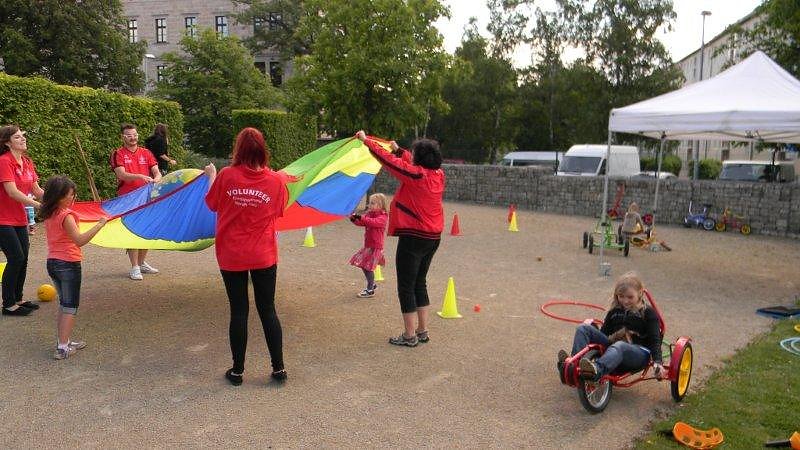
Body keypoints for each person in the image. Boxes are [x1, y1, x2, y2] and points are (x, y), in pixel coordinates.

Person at [204, 127, 297, 385]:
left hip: (231, 254)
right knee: (268, 310)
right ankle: (279, 370)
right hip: (263, 255)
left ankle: (237, 372)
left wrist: (210, 176)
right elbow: (279, 210)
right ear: (263, 149)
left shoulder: (226, 176)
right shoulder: (275, 180)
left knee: (239, 311)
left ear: (239, 149)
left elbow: (211, 204)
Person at [355, 130, 445, 348]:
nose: (410, 156)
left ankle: (409, 335)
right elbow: (407, 162)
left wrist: (367, 142)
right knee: (419, 283)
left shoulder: (416, 176)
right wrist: (400, 150)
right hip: (433, 237)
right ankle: (422, 331)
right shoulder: (438, 175)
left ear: (420, 159)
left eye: (413, 153)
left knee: (406, 286)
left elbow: (390, 162)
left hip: (414, 237)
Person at [40, 176, 107, 359]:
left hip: (53, 262)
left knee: (64, 304)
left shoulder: (50, 213)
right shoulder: (66, 215)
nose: (73, 197)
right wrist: (99, 225)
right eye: (71, 194)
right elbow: (80, 240)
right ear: (60, 196)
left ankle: (65, 340)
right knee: (70, 306)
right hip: (67, 264)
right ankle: (62, 347)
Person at [557, 272, 664, 381]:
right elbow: (604, 334)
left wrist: (658, 362)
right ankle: (573, 365)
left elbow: (655, 340)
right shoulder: (615, 312)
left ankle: (596, 371)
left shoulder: (648, 312)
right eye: (621, 296)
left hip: (639, 353)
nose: (625, 301)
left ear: (640, 293)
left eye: (630, 297)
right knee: (583, 328)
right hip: (613, 347)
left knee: (620, 346)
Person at [0, 125, 44, 316]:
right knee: (16, 257)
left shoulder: (27, 162)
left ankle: (18, 298)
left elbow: (36, 190)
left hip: (18, 218)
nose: (23, 139)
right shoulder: (4, 162)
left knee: (23, 258)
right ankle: (8, 305)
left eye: (23, 136)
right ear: (8, 142)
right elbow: (11, 191)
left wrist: (55, 200)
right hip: (2, 218)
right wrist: (38, 206)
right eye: (18, 137)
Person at [110, 123, 161, 280]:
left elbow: (157, 173)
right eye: (129, 135)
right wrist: (140, 176)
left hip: (147, 197)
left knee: (147, 230)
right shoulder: (117, 153)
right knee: (132, 231)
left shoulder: (146, 153)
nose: (133, 138)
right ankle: (134, 267)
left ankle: (142, 262)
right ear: (123, 137)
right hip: (128, 199)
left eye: (135, 135)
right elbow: (122, 175)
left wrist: (156, 180)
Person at [348, 193, 388, 298]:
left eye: (372, 203)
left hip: (375, 247)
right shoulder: (370, 214)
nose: (369, 205)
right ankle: (372, 284)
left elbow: (373, 222)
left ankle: (370, 289)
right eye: (370, 203)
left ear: (381, 205)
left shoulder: (383, 217)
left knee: (368, 267)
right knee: (362, 264)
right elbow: (361, 222)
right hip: (368, 245)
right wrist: (353, 218)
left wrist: (360, 217)